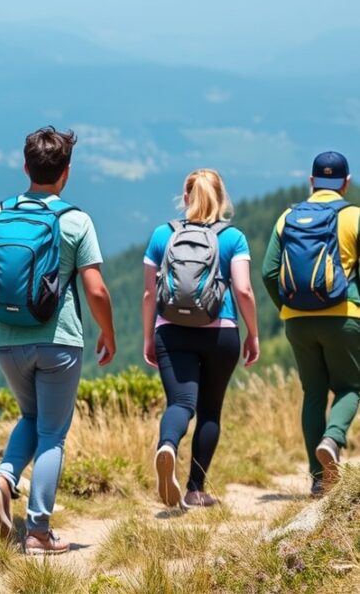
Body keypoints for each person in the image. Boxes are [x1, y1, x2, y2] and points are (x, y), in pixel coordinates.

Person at [0, 126, 116, 555]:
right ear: (66, 172)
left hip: (7, 342)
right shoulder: (75, 220)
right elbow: (96, 290)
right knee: (52, 433)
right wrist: (107, 330)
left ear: (25, 166)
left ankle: (4, 479)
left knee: (31, 418)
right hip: (59, 341)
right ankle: (37, 532)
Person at [142, 169, 259, 508]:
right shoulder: (233, 237)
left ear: (186, 195)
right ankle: (195, 489)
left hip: (171, 330)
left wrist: (150, 335)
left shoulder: (163, 235)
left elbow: (150, 295)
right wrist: (252, 333)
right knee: (210, 410)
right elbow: (243, 290)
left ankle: (167, 445)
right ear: (221, 197)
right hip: (220, 332)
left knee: (181, 403)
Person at [262, 151, 360, 496]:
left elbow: (268, 271)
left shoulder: (287, 217)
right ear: (346, 183)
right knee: (351, 387)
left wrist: (287, 308)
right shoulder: (354, 217)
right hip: (345, 316)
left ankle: (319, 479)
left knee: (313, 392)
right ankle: (333, 440)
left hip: (297, 322)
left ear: (311, 181)